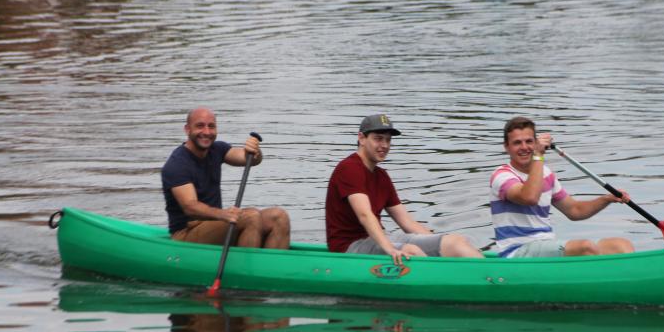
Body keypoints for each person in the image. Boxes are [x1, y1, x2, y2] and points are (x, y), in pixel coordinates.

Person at [325, 113, 483, 265]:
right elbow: (365, 215)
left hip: (378, 239)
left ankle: (490, 273)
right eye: (378, 139)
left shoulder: (382, 176)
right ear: (361, 138)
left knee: (456, 241)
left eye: (388, 140)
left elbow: (406, 222)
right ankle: (441, 280)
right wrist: (391, 249)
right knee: (411, 251)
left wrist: (436, 242)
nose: (384, 145)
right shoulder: (349, 168)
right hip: (349, 248)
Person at [490, 116, 634, 258]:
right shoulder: (502, 176)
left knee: (620, 245)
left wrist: (607, 199)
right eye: (517, 143)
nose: (524, 147)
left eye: (529, 141)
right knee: (586, 247)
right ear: (506, 147)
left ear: (535, 143)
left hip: (546, 245)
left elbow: (575, 211)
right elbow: (529, 198)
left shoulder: (546, 174)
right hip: (517, 252)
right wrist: (538, 155)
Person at [161, 107, 290, 249]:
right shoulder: (177, 164)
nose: (206, 132)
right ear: (187, 129)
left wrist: (254, 151)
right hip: (186, 233)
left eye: (211, 126)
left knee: (279, 217)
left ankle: (269, 262)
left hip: (215, 225)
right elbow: (190, 207)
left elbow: (249, 159)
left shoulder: (217, 149)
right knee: (251, 217)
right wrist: (223, 214)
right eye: (200, 126)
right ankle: (245, 263)